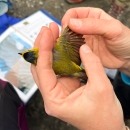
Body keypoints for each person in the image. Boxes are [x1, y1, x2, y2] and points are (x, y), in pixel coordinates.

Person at [31, 7, 130, 130]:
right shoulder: (60, 48)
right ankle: (124, 109)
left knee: (120, 95)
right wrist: (127, 62)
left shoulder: (53, 58)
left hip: (76, 73)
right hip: (81, 71)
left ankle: (123, 110)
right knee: (121, 94)